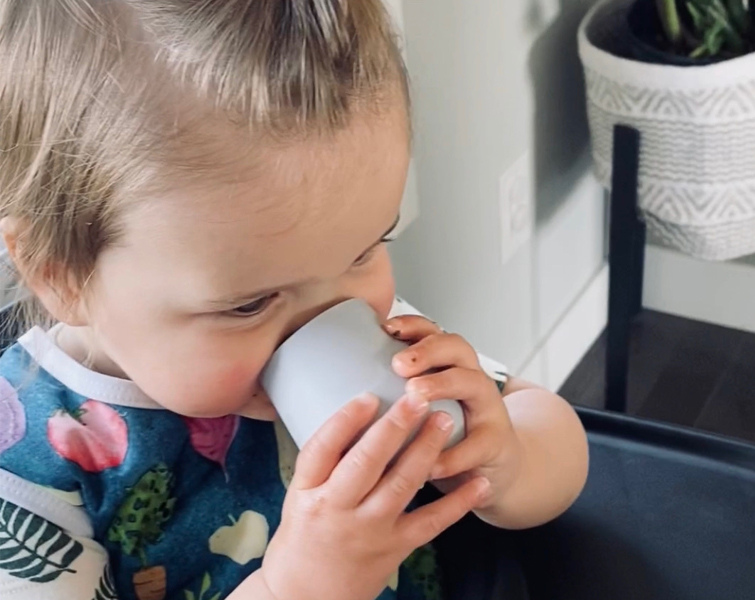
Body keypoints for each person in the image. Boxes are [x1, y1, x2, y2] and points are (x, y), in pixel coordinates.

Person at [0, 1, 589, 599]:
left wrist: (505, 461)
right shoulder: (24, 470)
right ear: (62, 275)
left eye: (365, 250)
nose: (329, 320)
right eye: (249, 304)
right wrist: (294, 589)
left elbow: (550, 428)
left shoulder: (371, 325)